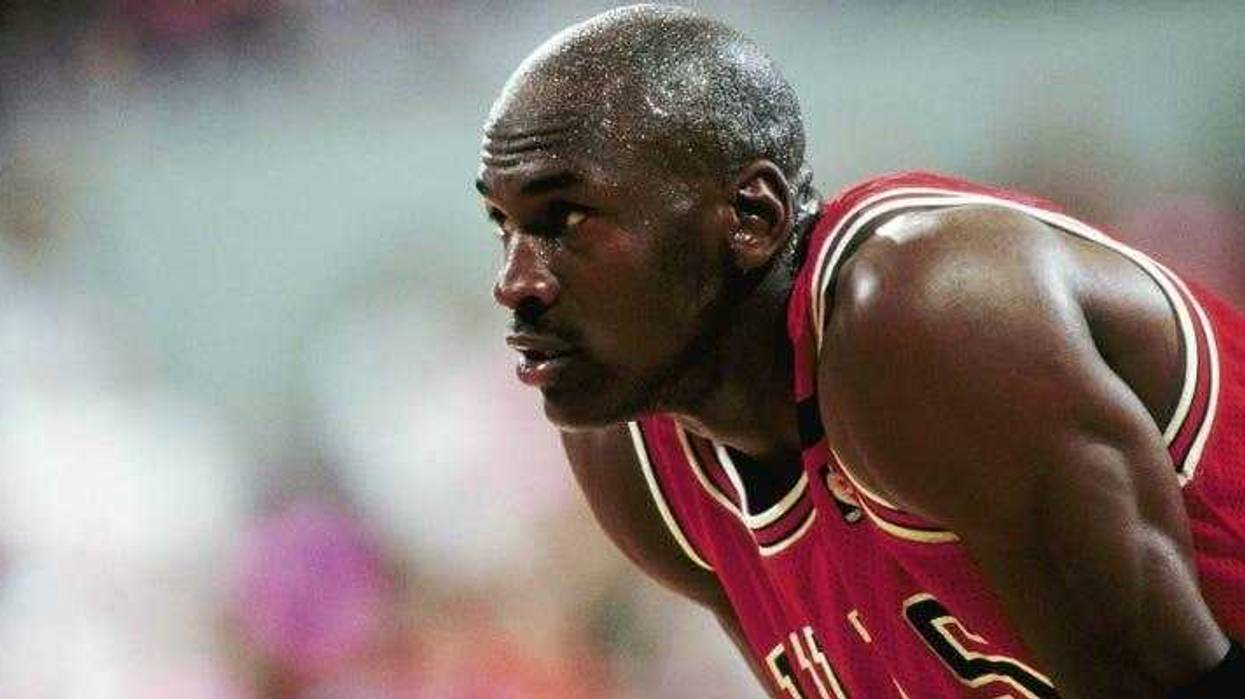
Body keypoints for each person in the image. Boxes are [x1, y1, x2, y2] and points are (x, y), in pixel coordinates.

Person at [474, 5, 1245, 697]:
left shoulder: (923, 315)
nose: (515, 282)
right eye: (502, 226)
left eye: (565, 219)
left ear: (752, 215)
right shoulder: (633, 456)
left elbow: (1172, 679)